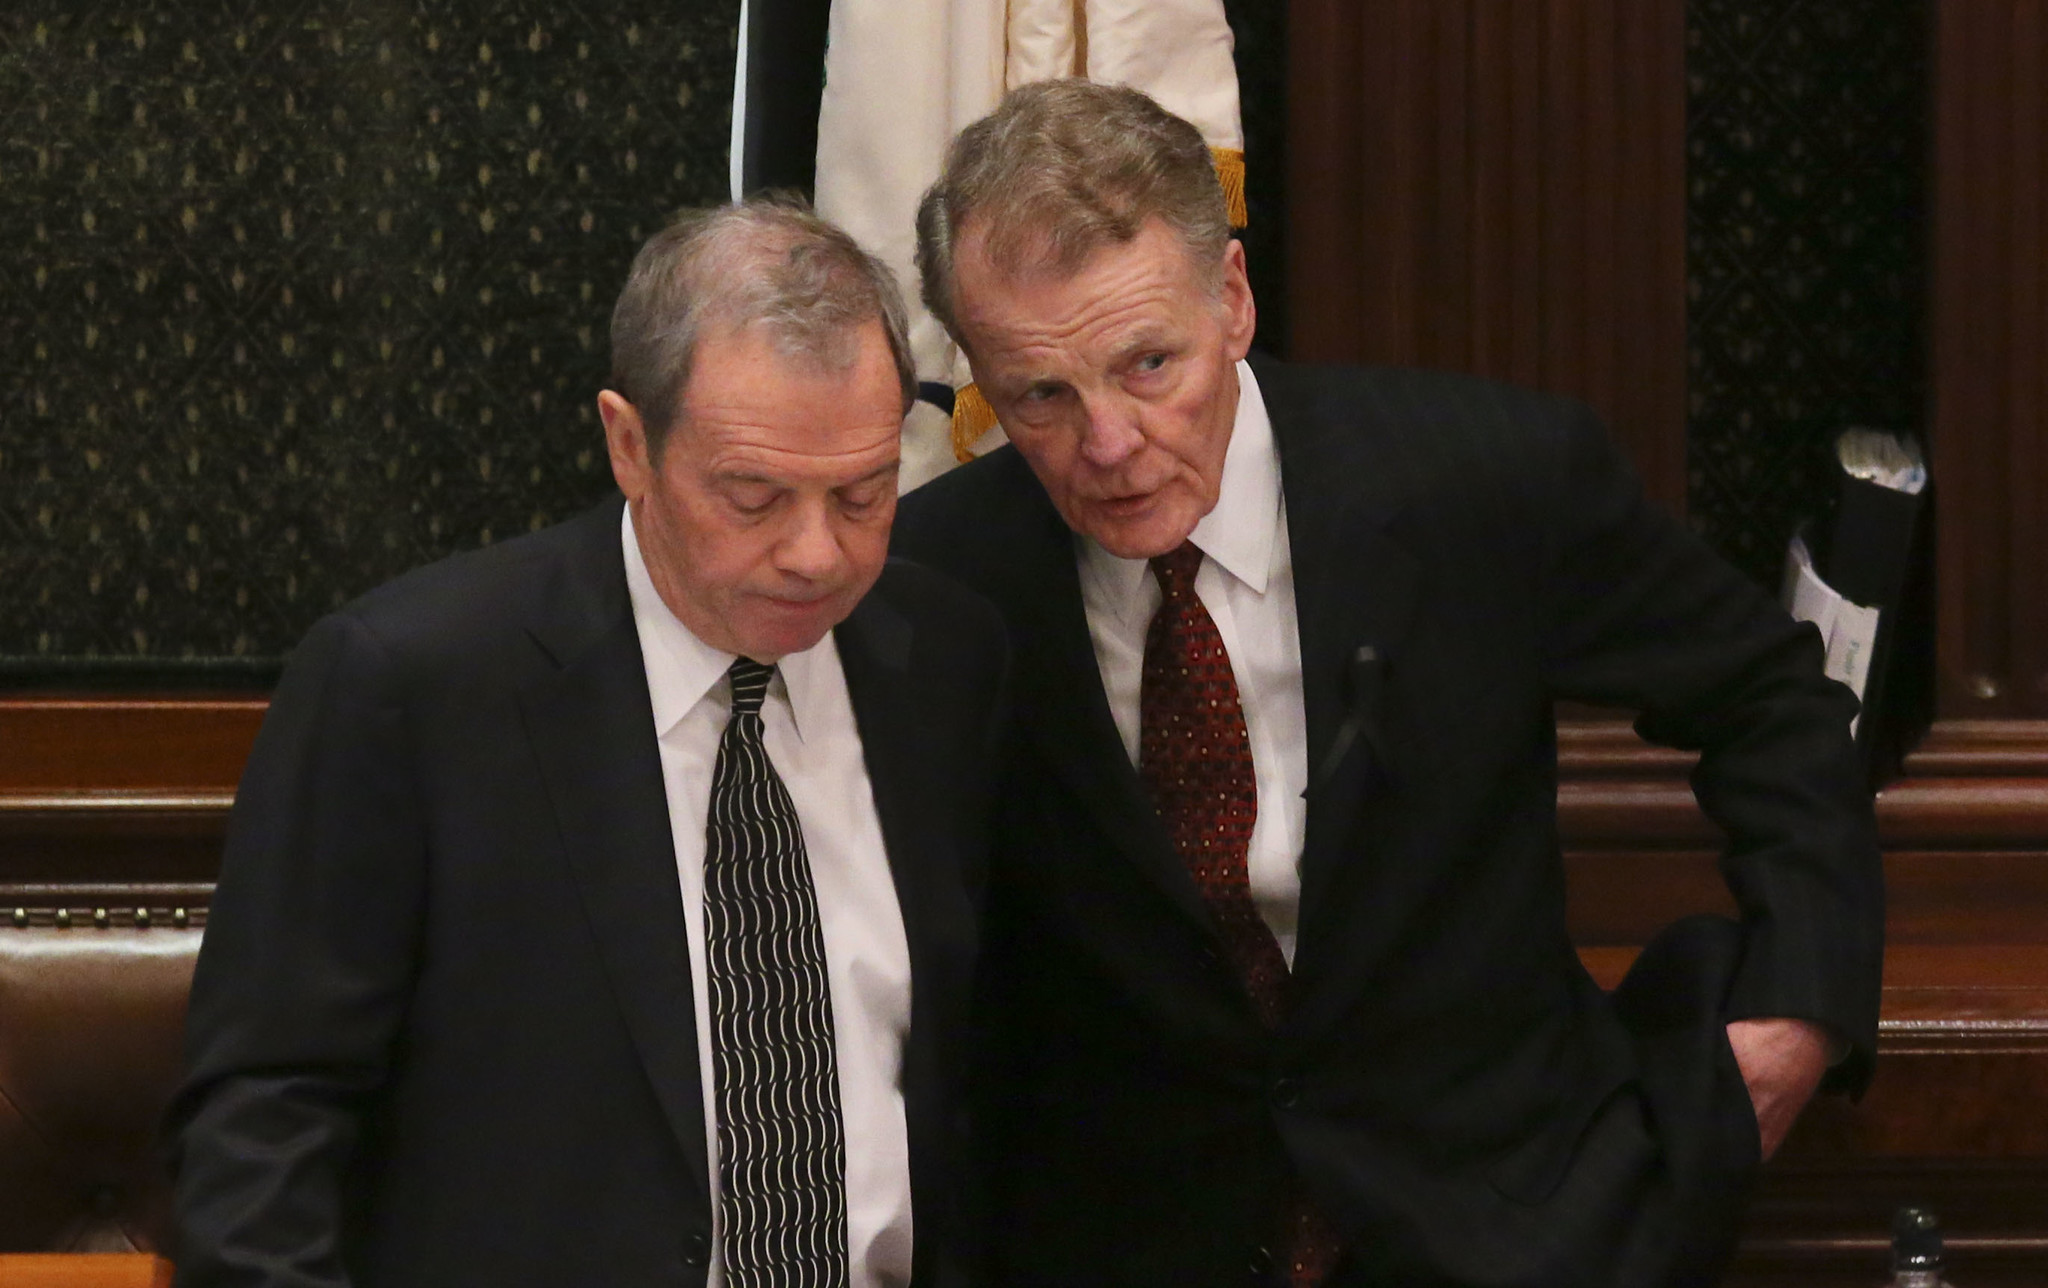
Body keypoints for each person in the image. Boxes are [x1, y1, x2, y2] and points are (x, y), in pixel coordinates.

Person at [891, 80, 1882, 1288]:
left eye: (1148, 363)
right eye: (1039, 394)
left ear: (1234, 301)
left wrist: (1801, 1001)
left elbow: (1768, 695)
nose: (1107, 444)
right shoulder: (936, 580)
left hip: (1509, 1217)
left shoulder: (1482, 480)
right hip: (1130, 1238)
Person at [168, 199, 1009, 1288]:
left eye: (863, 493)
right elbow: (262, 1128)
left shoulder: (943, 661)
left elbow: (985, 1078)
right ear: (629, 443)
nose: (817, 554)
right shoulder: (415, 686)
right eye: (753, 496)